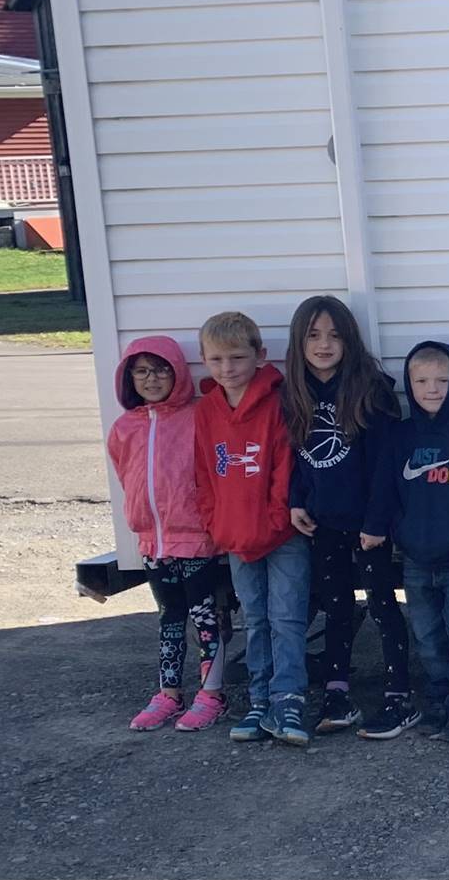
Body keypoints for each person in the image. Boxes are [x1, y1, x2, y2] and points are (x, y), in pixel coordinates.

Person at [279, 295, 413, 739]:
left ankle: (399, 693)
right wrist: (298, 500)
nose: (323, 344)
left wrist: (376, 523)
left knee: (380, 604)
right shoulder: (294, 393)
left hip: (367, 525)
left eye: (334, 335)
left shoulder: (369, 390)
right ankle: (337, 692)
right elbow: (299, 456)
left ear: (349, 340)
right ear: (299, 341)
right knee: (336, 607)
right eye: (314, 335)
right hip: (322, 522)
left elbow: (383, 465)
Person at [363, 341, 449, 744]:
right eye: (422, 380)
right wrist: (387, 528)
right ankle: (439, 697)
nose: (432, 388)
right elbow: (385, 489)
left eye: (442, 379)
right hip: (416, 558)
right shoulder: (400, 437)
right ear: (410, 383)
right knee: (427, 634)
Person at [192, 311, 309, 746]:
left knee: (287, 618)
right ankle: (259, 699)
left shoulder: (280, 402)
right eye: (216, 359)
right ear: (204, 360)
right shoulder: (206, 411)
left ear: (260, 356)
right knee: (256, 620)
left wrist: (276, 523)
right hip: (237, 538)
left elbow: (285, 466)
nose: (227, 368)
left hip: (283, 537)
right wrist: (215, 523)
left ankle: (290, 699)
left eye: (237, 357)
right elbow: (204, 474)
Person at [106, 335, 227, 732]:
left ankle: (211, 694)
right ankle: (169, 693)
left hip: (193, 537)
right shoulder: (125, 427)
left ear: (177, 373)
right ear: (129, 378)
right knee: (169, 617)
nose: (152, 378)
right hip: (153, 541)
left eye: (161, 370)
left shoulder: (195, 416)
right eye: (141, 371)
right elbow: (126, 473)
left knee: (205, 616)